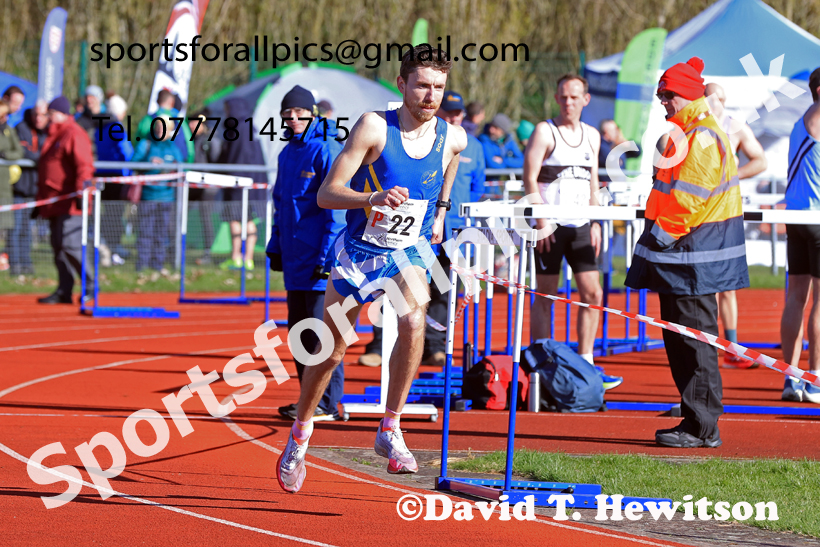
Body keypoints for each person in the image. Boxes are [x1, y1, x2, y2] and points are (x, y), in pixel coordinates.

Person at [276, 45, 467, 493]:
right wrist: (371, 199)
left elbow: (452, 162)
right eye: (422, 85)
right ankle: (300, 435)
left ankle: (391, 426)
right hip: (359, 252)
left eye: (438, 87)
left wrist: (440, 211)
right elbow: (327, 193)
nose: (431, 95)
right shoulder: (374, 126)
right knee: (332, 349)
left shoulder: (452, 137)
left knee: (413, 318)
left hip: (408, 251)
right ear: (401, 84)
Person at [625, 57, 748, 448]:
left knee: (694, 344)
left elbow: (687, 203)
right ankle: (695, 420)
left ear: (688, 95)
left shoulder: (702, 136)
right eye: (661, 95)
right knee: (683, 341)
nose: (663, 102)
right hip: (684, 258)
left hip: (692, 259)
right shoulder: (688, 133)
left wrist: (656, 238)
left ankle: (701, 427)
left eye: (668, 95)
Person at [522, 74, 621, 390]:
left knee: (592, 293)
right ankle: (543, 362)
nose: (568, 103)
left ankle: (587, 362)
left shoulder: (592, 136)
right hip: (550, 226)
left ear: (585, 100)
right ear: (556, 98)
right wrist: (541, 220)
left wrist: (595, 221)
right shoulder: (545, 131)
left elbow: (593, 182)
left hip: (580, 225)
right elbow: (529, 177)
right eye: (563, 97)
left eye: (575, 97)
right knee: (545, 293)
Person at [266, 85, 347, 421]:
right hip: (294, 260)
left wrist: (326, 259)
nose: (293, 118)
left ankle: (328, 403)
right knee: (299, 333)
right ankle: (307, 402)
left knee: (321, 333)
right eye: (288, 113)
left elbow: (336, 210)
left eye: (299, 112)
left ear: (312, 113)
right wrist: (275, 247)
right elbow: (281, 205)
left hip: (319, 260)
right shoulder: (286, 154)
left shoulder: (326, 149)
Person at [703, 82, 769, 369]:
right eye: (706, 98)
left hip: (727, 212)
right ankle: (705, 345)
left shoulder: (736, 128)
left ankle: (731, 346)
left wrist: (733, 175)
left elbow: (760, 160)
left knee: (727, 285)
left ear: (724, 101)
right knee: (703, 286)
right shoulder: (692, 129)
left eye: (716, 99)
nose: (712, 104)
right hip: (699, 214)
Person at [423, 90, 485, 366]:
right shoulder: (426, 140)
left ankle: (435, 347)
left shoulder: (474, 147)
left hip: (454, 233)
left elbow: (478, 187)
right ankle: (381, 345)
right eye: (448, 112)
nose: (453, 117)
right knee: (407, 287)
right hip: (424, 229)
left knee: (444, 288)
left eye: (457, 113)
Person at [780, 67, 820, 404]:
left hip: (796, 217)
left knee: (796, 297)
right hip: (817, 219)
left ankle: (790, 379)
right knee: (819, 302)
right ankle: (816, 378)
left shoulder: (800, 122)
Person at [35, 96, 95, 304]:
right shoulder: (53, 134)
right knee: (58, 247)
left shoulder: (73, 133)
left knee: (71, 245)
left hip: (71, 201)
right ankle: (64, 289)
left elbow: (84, 166)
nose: (48, 118)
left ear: (61, 113)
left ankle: (91, 285)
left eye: (51, 113)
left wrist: (82, 194)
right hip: (53, 201)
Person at [216, 98, 267, 271]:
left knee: (235, 218)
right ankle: (249, 259)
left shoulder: (235, 127)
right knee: (250, 219)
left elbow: (229, 156)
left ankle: (236, 257)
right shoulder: (252, 126)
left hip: (237, 182)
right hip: (255, 181)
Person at [131, 114, 183, 273]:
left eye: (165, 127)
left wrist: (168, 167)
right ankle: (141, 265)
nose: (161, 130)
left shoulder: (173, 148)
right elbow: (132, 163)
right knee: (145, 232)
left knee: (162, 233)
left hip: (167, 197)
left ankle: (158, 264)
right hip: (148, 196)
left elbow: (182, 167)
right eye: (159, 127)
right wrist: (149, 163)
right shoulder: (145, 144)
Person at [95, 95, 134, 267]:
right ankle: (113, 248)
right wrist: (134, 166)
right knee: (115, 214)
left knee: (106, 214)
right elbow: (126, 151)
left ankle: (106, 246)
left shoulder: (99, 127)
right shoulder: (115, 127)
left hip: (101, 174)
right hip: (116, 176)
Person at [10, 101, 48, 275]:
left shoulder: (47, 132)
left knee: (27, 228)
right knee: (15, 228)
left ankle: (26, 263)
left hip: (35, 188)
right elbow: (24, 151)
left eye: (43, 115)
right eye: (36, 114)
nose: (39, 119)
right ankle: (14, 264)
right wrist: (41, 157)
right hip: (19, 187)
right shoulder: (21, 128)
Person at [188, 112, 222, 265]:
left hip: (207, 186)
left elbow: (216, 161)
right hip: (191, 184)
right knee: (179, 213)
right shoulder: (191, 140)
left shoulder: (210, 140)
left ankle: (208, 251)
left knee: (206, 218)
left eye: (195, 123)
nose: (191, 126)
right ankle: (174, 246)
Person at [0, 99, 24, 258]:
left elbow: (19, 152)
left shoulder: (8, 130)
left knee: (4, 223)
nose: (5, 118)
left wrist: (6, 156)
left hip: (4, 185)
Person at [598, 119, 641, 183]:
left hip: (620, 186)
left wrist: (625, 142)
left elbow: (637, 152)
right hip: (605, 188)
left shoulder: (618, 145)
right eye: (615, 130)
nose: (617, 132)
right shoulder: (600, 145)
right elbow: (613, 162)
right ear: (606, 131)